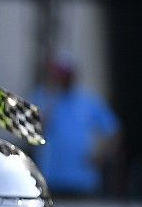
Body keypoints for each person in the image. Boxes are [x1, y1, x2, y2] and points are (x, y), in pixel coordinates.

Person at [32, 55, 121, 197]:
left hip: (83, 180)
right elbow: (33, 131)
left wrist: (101, 156)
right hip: (51, 179)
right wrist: (51, 97)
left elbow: (113, 131)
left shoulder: (89, 100)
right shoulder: (41, 97)